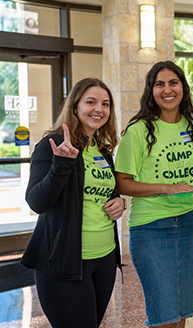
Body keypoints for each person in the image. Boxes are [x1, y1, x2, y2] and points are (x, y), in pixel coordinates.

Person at [115, 61, 193, 328]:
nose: (167, 90)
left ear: (183, 88)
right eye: (159, 84)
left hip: (190, 224)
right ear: (151, 90)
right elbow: (122, 183)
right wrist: (166, 188)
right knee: (163, 311)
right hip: (151, 228)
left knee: (182, 308)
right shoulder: (138, 130)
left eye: (173, 83)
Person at [21, 78, 125, 328]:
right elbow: (36, 202)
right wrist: (61, 165)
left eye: (105, 104)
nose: (99, 109)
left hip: (105, 258)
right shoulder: (53, 145)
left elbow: (100, 192)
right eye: (91, 102)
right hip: (64, 260)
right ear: (75, 106)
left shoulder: (103, 151)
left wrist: (119, 202)